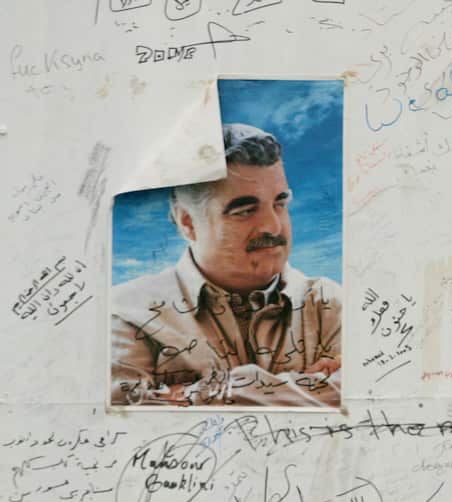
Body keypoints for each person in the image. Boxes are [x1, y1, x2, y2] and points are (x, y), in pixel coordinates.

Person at [110, 123, 342, 407]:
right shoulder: (126, 314)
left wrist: (205, 392)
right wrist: (312, 391)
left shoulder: (330, 305)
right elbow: (125, 423)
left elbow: (368, 397)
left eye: (280, 204)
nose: (272, 226)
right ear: (188, 222)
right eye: (245, 211)